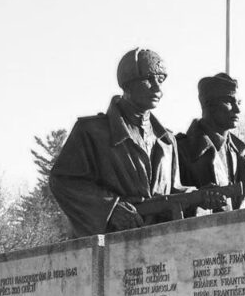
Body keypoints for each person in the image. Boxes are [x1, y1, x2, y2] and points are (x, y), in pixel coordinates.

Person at [49, 48, 211, 236]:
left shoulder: (166, 141)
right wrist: (110, 209)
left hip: (158, 243)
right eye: (149, 79)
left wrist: (199, 196)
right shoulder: (91, 131)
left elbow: (172, 192)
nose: (158, 88)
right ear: (128, 83)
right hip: (112, 242)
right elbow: (62, 181)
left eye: (160, 80)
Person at [176, 73, 245, 216]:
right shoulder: (180, 150)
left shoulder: (241, 155)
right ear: (208, 104)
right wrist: (197, 199)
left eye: (239, 103)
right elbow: (165, 202)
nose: (237, 110)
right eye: (229, 102)